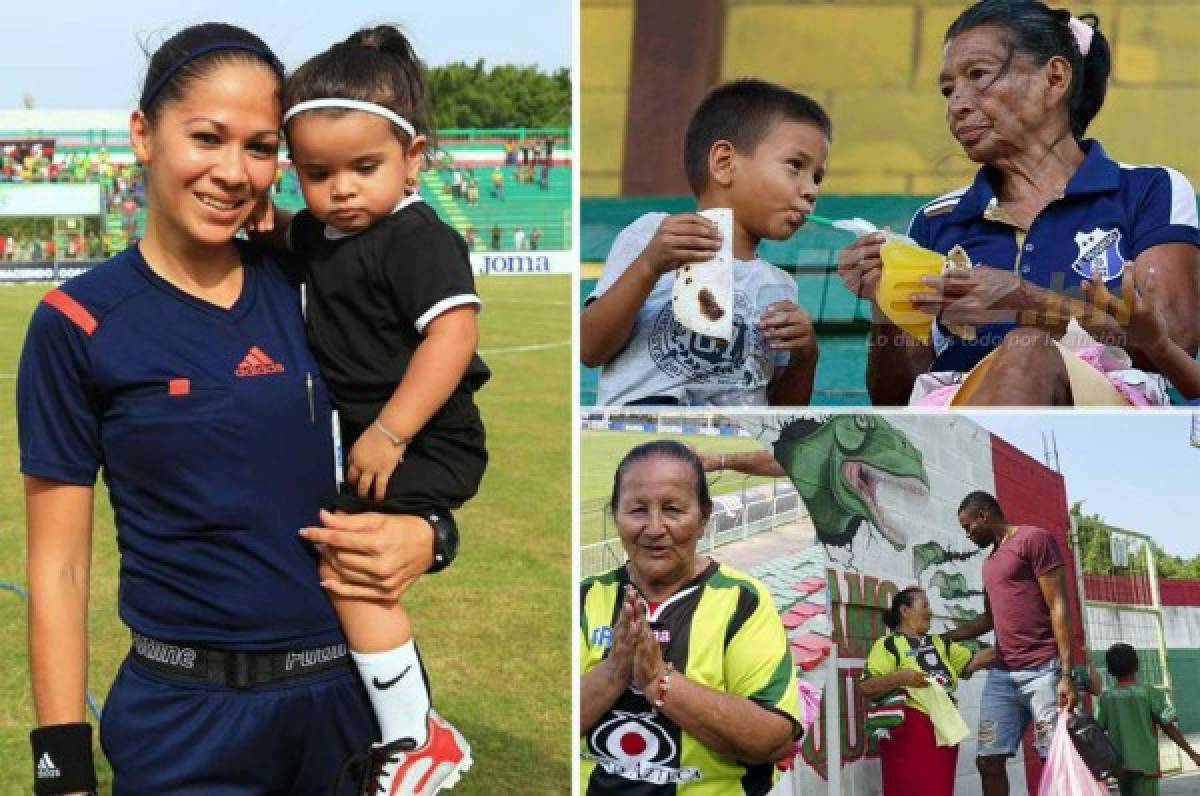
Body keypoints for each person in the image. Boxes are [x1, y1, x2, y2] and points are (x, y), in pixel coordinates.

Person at [18, 23, 442, 795]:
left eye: (259, 147)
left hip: (346, 710)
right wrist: (60, 773)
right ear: (144, 135)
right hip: (181, 723)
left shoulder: (313, 289)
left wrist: (432, 534)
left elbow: (426, 442)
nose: (233, 171)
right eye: (207, 137)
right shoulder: (76, 324)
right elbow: (59, 567)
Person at [254, 25, 486, 794]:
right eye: (317, 173)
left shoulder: (417, 239)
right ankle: (405, 728)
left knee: (353, 571)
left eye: (364, 167)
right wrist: (278, 223)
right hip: (374, 440)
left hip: (424, 438)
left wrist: (390, 431)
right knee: (343, 566)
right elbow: (308, 243)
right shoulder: (322, 231)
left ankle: (419, 736)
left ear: (413, 158)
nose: (342, 190)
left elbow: (452, 336)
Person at [837, 1, 1199, 407]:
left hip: (1108, 427)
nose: (957, 105)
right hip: (960, 414)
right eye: (948, 90)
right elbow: (896, 399)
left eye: (978, 75)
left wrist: (1024, 301)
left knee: (1027, 347)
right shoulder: (937, 220)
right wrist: (884, 304)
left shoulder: (1148, 189)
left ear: (1055, 77)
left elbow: (1176, 343)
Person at [580, 78, 823, 407]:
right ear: (725, 164)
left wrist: (805, 356)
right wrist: (649, 265)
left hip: (731, 449)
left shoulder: (781, 287)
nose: (811, 190)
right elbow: (590, 349)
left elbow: (779, 418)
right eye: (795, 166)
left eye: (817, 177)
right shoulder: (653, 234)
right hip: (640, 441)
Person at [579, 440, 801, 794]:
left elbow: (774, 739)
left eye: (673, 510)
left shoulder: (742, 601)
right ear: (615, 516)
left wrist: (659, 682)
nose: (654, 528)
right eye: (637, 510)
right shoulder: (586, 597)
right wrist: (615, 670)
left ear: (703, 517)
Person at [945, 491, 1077, 795]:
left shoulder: (1034, 539)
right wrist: (944, 637)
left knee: (1054, 759)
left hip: (1044, 671)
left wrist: (1067, 674)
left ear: (983, 515)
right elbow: (988, 619)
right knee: (987, 761)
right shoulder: (989, 564)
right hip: (1002, 675)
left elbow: (1059, 605)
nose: (967, 534)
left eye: (968, 526)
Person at [860, 587, 993, 796]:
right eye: (925, 605)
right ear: (905, 611)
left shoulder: (940, 643)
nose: (931, 612)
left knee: (940, 789)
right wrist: (900, 677)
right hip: (910, 730)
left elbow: (973, 662)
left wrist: (1012, 642)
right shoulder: (887, 645)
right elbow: (866, 686)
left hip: (945, 728)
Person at [1098, 643, 1200, 796]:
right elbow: (1169, 725)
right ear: (1136, 664)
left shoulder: (1106, 697)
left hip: (1120, 767)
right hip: (1145, 767)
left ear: (1110, 669)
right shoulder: (1150, 693)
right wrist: (1192, 753)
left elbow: (1100, 729)